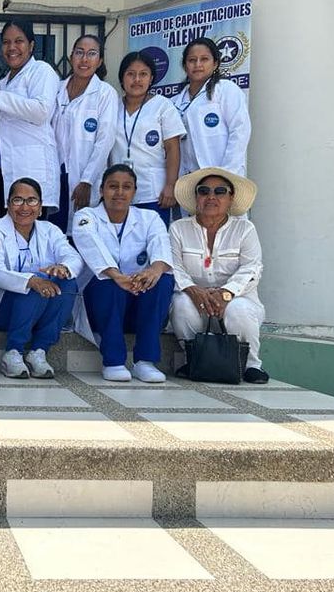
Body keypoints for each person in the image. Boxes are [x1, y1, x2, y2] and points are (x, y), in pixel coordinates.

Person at [73, 164, 174, 382]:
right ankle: (113, 361)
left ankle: (145, 361)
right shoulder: (86, 216)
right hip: (101, 304)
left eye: (126, 187)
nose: (119, 192)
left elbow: (161, 246)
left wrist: (153, 271)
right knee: (107, 282)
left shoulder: (149, 218)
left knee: (162, 280)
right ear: (101, 190)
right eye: (113, 186)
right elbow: (91, 246)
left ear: (134, 192)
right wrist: (118, 277)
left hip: (137, 302)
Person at [169, 167, 268, 384]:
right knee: (180, 303)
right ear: (196, 197)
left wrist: (226, 293)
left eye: (220, 191)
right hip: (197, 302)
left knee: (239, 309)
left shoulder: (245, 229)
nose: (211, 197)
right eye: (204, 191)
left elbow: (252, 268)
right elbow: (173, 267)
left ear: (231, 198)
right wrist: (193, 290)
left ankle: (251, 365)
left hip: (236, 301)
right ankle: (193, 359)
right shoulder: (178, 229)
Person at [0, 179, 84, 379]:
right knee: (35, 285)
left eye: (32, 200)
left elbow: (72, 257)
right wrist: (31, 281)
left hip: (42, 309)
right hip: (5, 310)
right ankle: (13, 352)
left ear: (40, 206)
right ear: (8, 204)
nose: (25, 207)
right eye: (18, 200)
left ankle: (39, 351)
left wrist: (63, 268)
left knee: (68, 282)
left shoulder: (50, 230)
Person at [0, 19, 59, 215]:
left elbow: (41, 111)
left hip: (34, 171)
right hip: (7, 172)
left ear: (31, 45)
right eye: (6, 42)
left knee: (34, 230)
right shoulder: (3, 83)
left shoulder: (42, 71)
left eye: (19, 41)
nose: (12, 47)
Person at [51, 34, 119, 234]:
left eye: (92, 54)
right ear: (71, 57)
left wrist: (87, 180)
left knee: (83, 233)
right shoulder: (57, 89)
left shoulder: (105, 93)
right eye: (79, 53)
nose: (84, 59)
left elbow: (105, 140)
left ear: (100, 61)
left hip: (84, 177)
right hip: (55, 175)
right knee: (55, 234)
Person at [110, 51, 186, 228]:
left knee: (154, 239)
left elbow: (173, 149)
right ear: (122, 78)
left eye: (143, 74)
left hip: (153, 192)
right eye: (131, 74)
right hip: (118, 192)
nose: (137, 80)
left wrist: (170, 185)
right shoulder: (112, 105)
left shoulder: (163, 105)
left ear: (151, 78)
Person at [172, 38, 251, 177]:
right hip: (188, 181)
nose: (198, 64)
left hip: (224, 177)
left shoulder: (226, 90)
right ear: (185, 66)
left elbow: (240, 132)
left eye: (204, 59)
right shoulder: (174, 103)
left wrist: (226, 173)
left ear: (215, 64)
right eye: (192, 60)